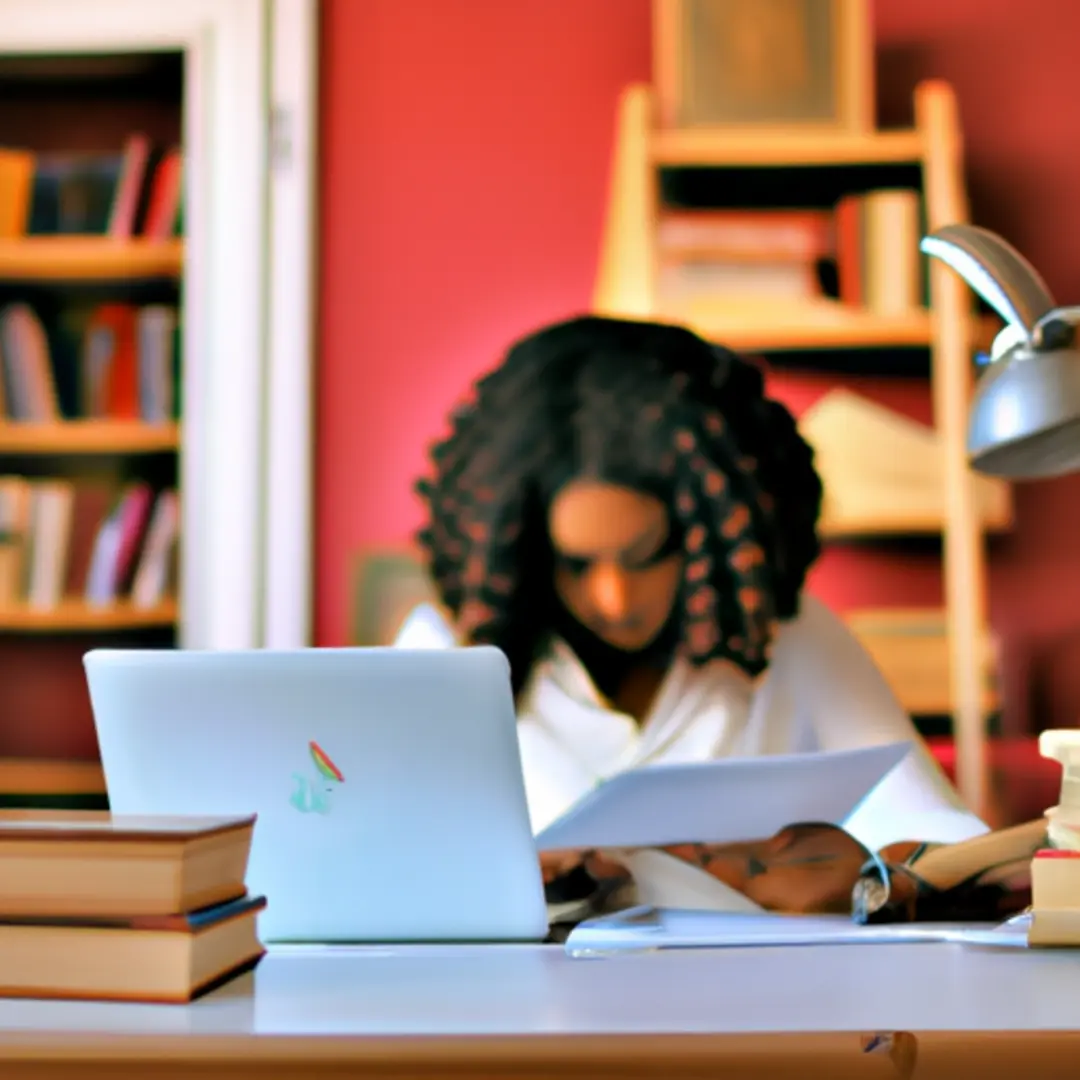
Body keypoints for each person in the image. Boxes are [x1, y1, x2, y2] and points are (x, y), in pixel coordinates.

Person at [399, 313, 993, 915]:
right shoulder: (449, 655)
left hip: (752, 1001)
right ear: (525, 550)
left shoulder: (790, 639)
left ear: (710, 534)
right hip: (518, 1006)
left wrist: (864, 875)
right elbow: (371, 869)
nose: (614, 599)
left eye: (645, 555)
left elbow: (960, 849)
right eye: (576, 564)